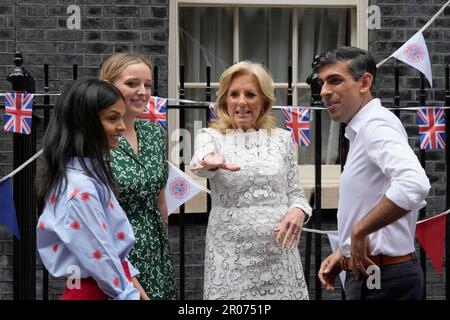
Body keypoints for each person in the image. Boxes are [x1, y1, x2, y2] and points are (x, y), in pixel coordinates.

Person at [190, 61, 312, 300]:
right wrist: (210, 161)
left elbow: (295, 193)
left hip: (278, 255)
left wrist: (298, 211)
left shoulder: (282, 139)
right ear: (224, 100)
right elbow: (200, 162)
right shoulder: (211, 136)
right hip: (229, 255)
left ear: (264, 101)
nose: (241, 102)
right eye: (234, 94)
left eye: (250, 94)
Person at [316, 47, 431, 300]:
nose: (324, 91)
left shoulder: (374, 125)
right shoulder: (363, 129)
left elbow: (414, 184)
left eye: (335, 80)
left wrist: (359, 231)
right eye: (322, 82)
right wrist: (345, 251)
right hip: (375, 274)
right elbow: (370, 198)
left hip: (385, 278)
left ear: (364, 82)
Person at [36, 78, 148, 300]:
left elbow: (109, 251)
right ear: (85, 123)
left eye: (121, 117)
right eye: (112, 118)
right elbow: (101, 257)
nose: (122, 126)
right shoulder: (80, 188)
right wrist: (128, 293)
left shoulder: (85, 177)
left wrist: (133, 285)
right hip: (98, 291)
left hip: (105, 287)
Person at [100, 52, 178, 300]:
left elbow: (160, 196)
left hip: (156, 252)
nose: (142, 91)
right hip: (116, 252)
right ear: (109, 87)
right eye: (132, 83)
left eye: (147, 85)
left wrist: (162, 235)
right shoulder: (98, 136)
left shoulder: (154, 132)